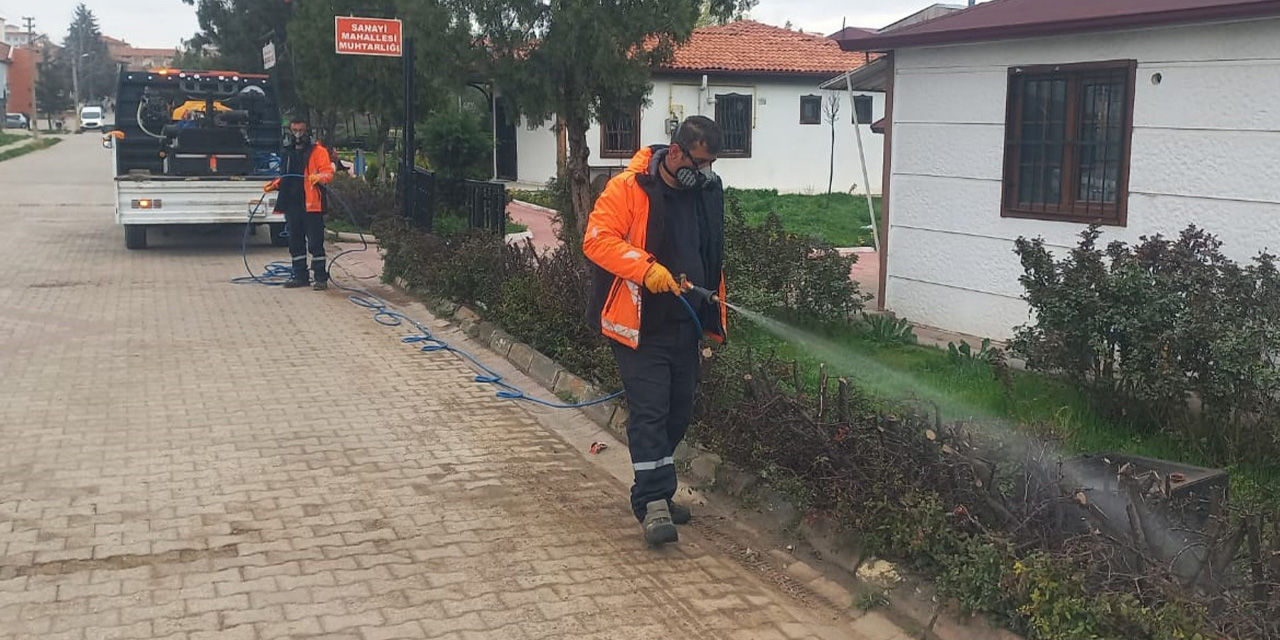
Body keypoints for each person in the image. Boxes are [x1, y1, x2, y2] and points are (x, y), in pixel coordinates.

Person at [583, 116, 728, 546]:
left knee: (678, 410)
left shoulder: (706, 192)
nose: (703, 171)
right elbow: (596, 240)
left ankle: (654, 491)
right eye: (698, 161)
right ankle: (654, 505)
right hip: (639, 324)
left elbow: (710, 248)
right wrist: (646, 269)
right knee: (650, 411)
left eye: (711, 163)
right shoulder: (629, 188)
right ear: (677, 151)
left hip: (686, 320)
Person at [264, 117, 336, 290]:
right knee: (295, 241)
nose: (298, 135)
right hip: (292, 203)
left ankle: (320, 278)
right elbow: (285, 174)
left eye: (301, 131)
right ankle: (300, 276)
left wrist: (317, 177)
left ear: (307, 131)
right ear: (289, 132)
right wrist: (276, 184)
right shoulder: (287, 151)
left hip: (311, 204)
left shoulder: (318, 151)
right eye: (294, 131)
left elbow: (328, 174)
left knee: (315, 242)